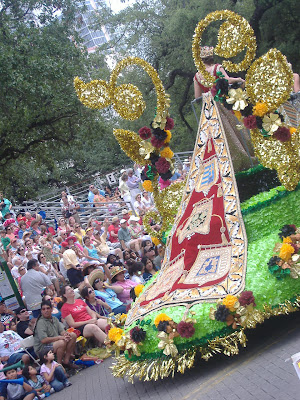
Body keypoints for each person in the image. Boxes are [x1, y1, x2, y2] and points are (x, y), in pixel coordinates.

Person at [193, 46, 256, 172]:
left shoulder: (197, 76)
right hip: (223, 104)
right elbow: (226, 80)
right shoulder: (217, 67)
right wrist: (238, 79)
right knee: (237, 131)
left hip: (210, 111)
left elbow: (197, 97)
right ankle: (249, 157)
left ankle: (228, 166)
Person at [33, 299, 77, 368]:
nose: (46, 311)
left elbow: (61, 331)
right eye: (43, 309)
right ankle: (59, 366)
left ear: (51, 309)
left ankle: (66, 360)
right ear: (41, 311)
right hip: (42, 348)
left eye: (48, 308)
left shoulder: (54, 319)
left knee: (72, 335)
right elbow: (43, 340)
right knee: (61, 342)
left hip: (54, 343)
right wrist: (60, 337)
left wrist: (65, 334)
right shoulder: (41, 322)